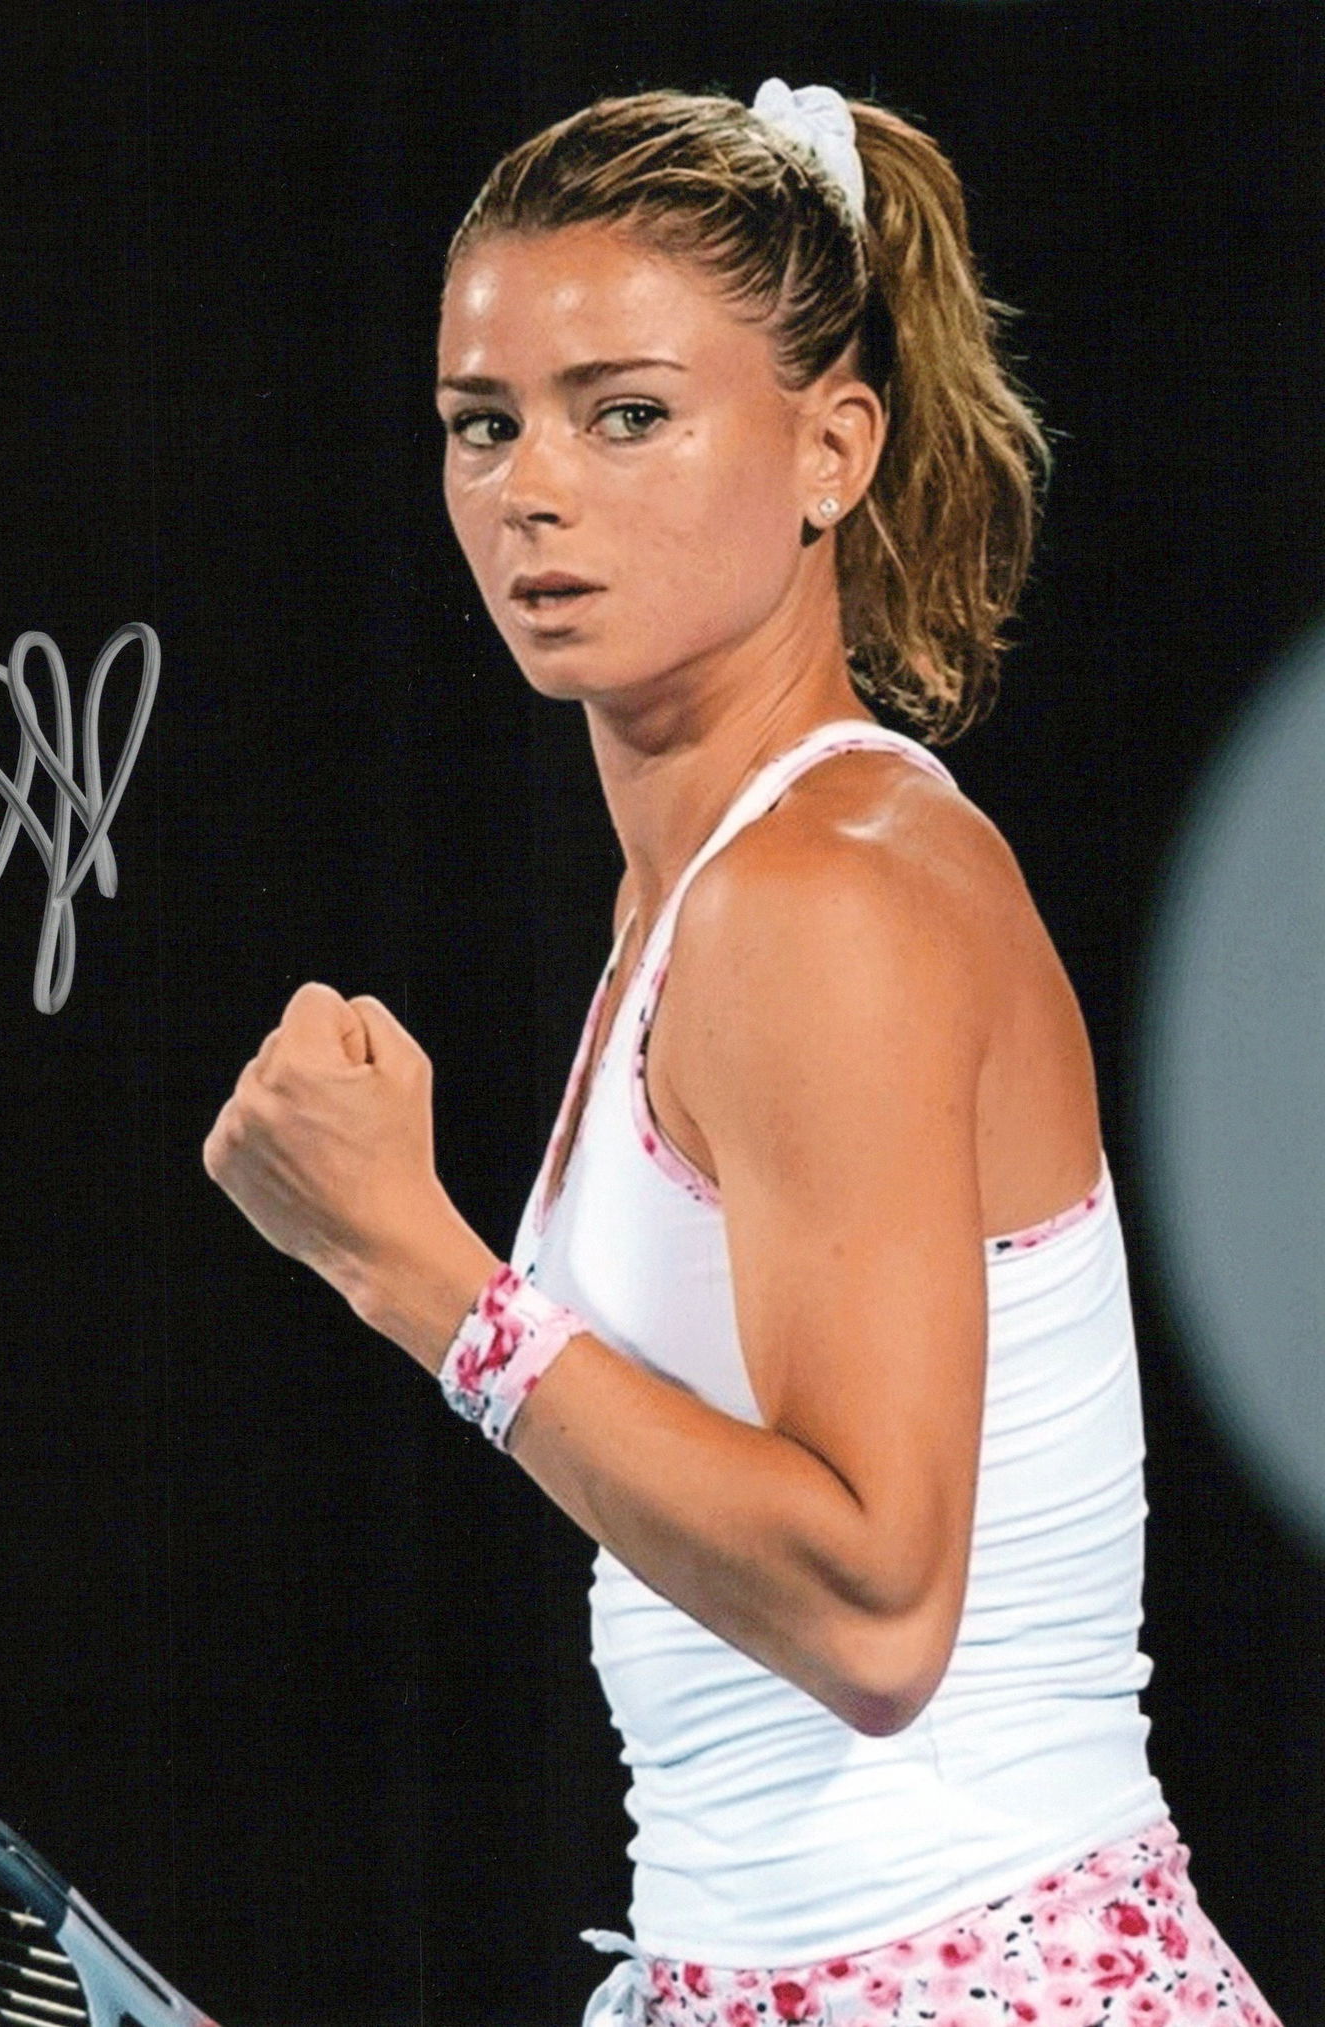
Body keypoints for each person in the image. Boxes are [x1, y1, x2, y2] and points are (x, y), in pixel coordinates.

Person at [204, 81, 1281, 2027]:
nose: (531, 489)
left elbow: (873, 1613)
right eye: (481, 423)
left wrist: (408, 1267)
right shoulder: (705, 891)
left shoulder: (823, 895)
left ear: (830, 449)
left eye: (625, 413)